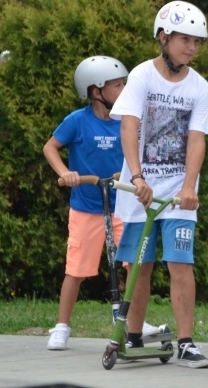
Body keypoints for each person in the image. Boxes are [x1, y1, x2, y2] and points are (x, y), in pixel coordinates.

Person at [112, 0, 208, 368]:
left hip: (178, 195)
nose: (191, 47)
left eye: (197, 41)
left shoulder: (199, 86)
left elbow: (197, 138)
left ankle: (186, 342)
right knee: (140, 266)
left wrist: (189, 186)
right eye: (185, 39)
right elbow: (128, 126)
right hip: (141, 191)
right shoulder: (141, 76)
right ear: (163, 37)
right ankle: (134, 336)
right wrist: (137, 176)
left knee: (179, 264)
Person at [43, 56, 128, 350]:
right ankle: (62, 326)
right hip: (85, 207)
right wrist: (66, 173)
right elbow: (50, 147)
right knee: (76, 270)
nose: (124, 90)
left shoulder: (125, 120)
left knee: (134, 265)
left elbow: (137, 152)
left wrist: (131, 173)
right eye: (117, 85)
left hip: (122, 205)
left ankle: (130, 321)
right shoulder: (78, 120)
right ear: (96, 91)